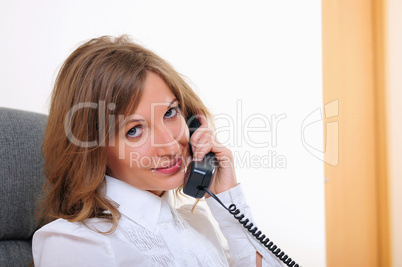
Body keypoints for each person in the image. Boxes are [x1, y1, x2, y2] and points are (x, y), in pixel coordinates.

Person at [32, 35, 283, 267]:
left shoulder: (197, 224)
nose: (172, 145)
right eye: (134, 130)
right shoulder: (75, 244)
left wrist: (227, 201)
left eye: (170, 113)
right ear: (93, 148)